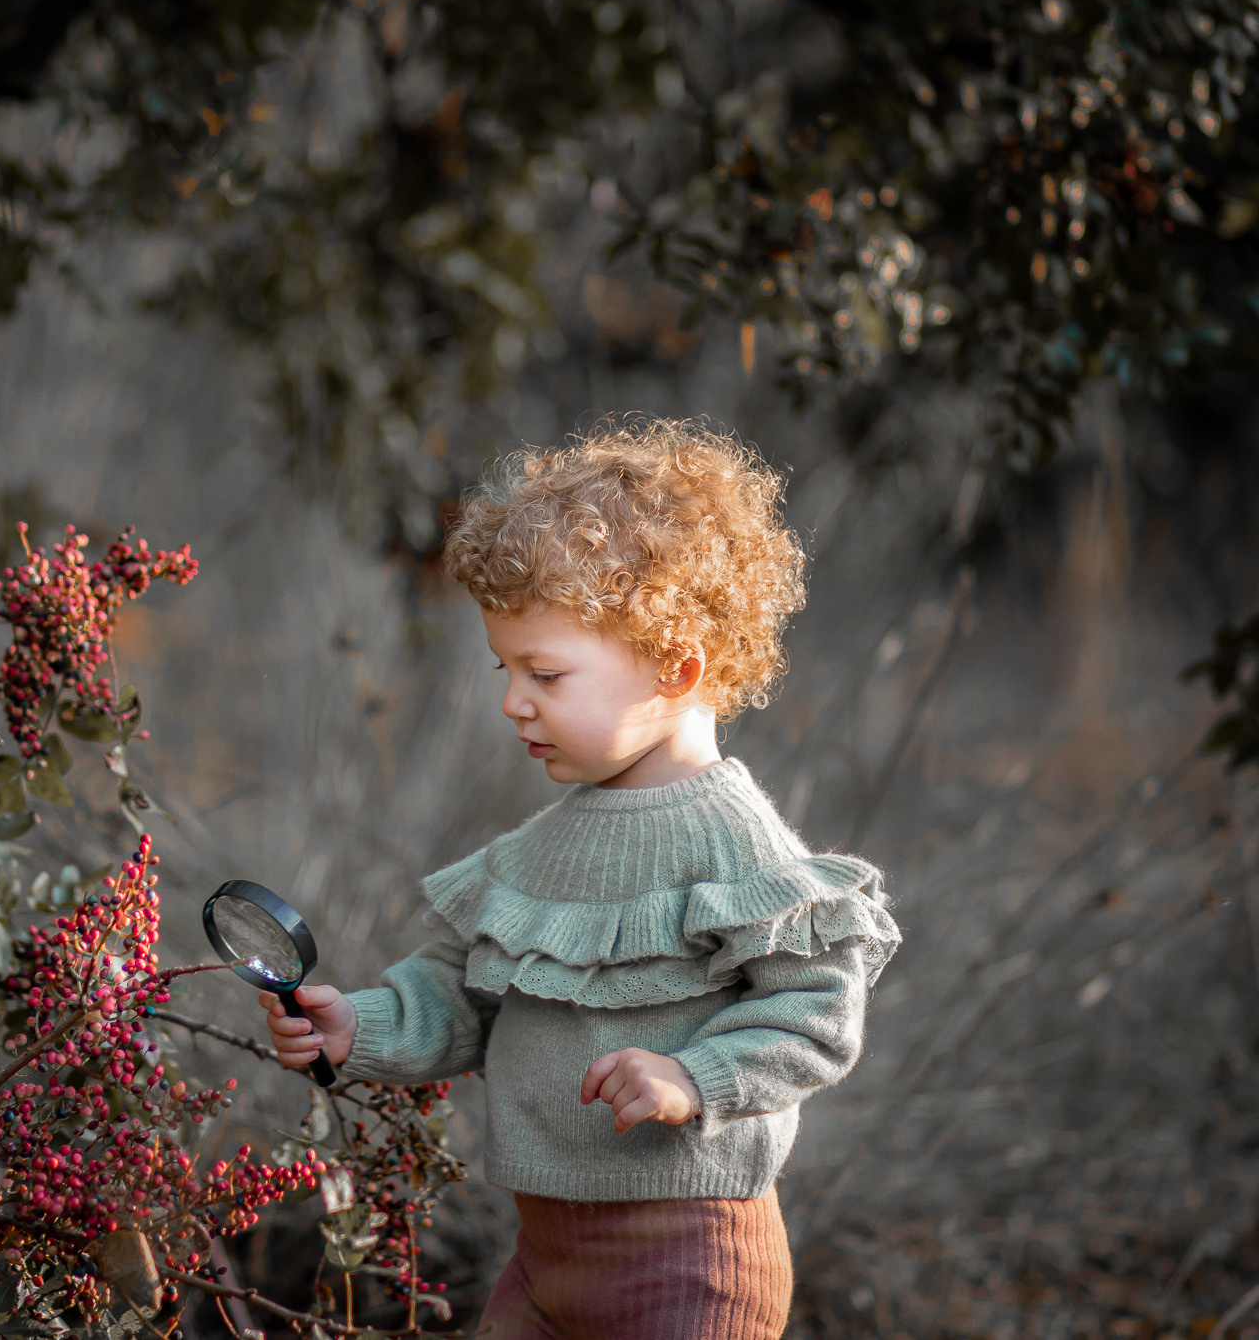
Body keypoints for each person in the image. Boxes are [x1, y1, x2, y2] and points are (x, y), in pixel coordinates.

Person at [257, 418, 901, 1339]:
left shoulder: (736, 843)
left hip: (689, 1261)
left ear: (677, 669)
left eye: (546, 672)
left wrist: (695, 1074)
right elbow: (460, 990)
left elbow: (818, 1011)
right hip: (544, 1261)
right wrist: (360, 1024)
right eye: (506, 667)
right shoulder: (539, 846)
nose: (514, 700)